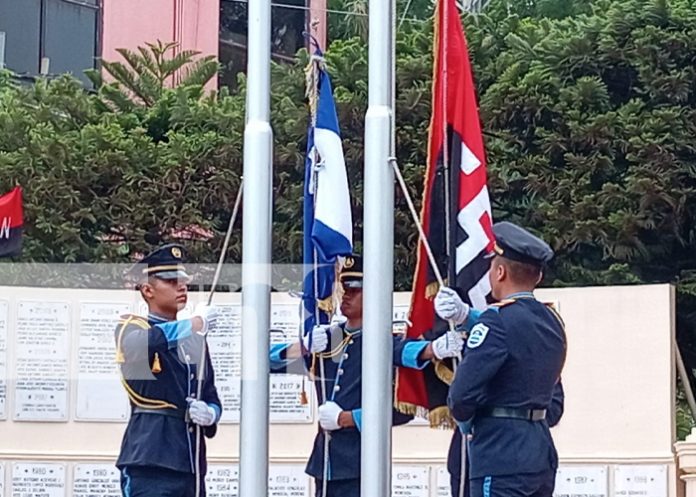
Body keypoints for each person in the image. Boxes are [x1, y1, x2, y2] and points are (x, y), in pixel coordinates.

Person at [271, 254, 464, 497]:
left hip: (361, 462)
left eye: (355, 289)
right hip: (326, 462)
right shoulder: (328, 339)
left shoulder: (381, 341)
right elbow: (269, 360)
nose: (346, 295)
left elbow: (401, 393)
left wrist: (347, 418)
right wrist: (305, 346)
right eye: (344, 288)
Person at [435, 222, 566, 497]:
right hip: (539, 453)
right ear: (538, 277)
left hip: (500, 455)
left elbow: (461, 396)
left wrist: (467, 425)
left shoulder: (496, 320)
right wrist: (466, 316)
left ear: (500, 271)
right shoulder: (553, 321)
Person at [114, 243, 222, 497]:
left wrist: (210, 413)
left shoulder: (196, 339)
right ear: (148, 289)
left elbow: (211, 394)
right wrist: (193, 324)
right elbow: (140, 345)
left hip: (190, 461)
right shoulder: (131, 327)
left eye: (183, 281)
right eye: (171, 281)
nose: (182, 286)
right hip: (151, 457)